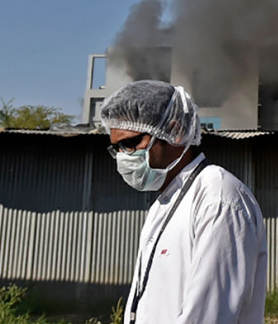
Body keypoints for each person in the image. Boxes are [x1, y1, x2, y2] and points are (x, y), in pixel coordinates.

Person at [101, 81, 268, 324]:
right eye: (117, 148)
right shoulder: (163, 204)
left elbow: (209, 314)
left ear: (175, 131)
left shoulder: (218, 197)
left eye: (131, 143)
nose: (123, 157)